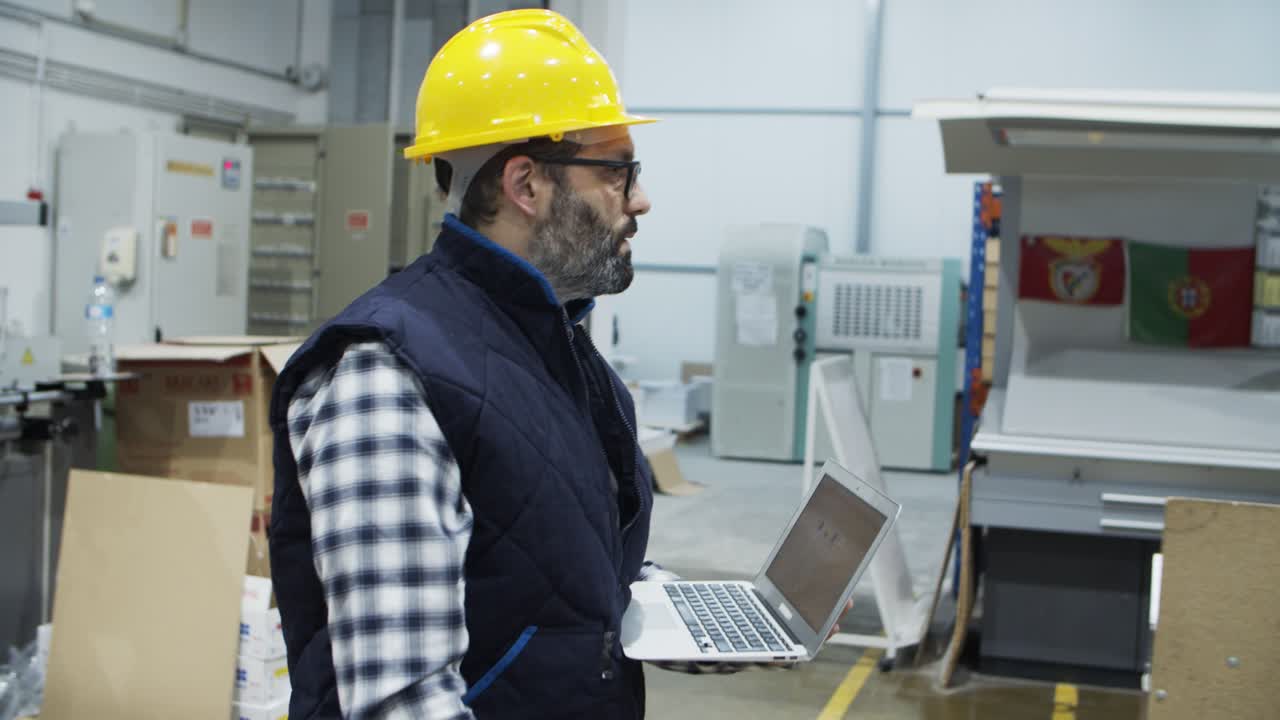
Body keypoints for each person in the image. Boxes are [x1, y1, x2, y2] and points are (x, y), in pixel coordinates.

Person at [268, 9, 842, 719]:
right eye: (617, 172)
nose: (640, 199)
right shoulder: (384, 379)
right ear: (526, 185)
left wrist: (728, 620)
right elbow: (403, 702)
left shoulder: (554, 346)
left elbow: (567, 571)